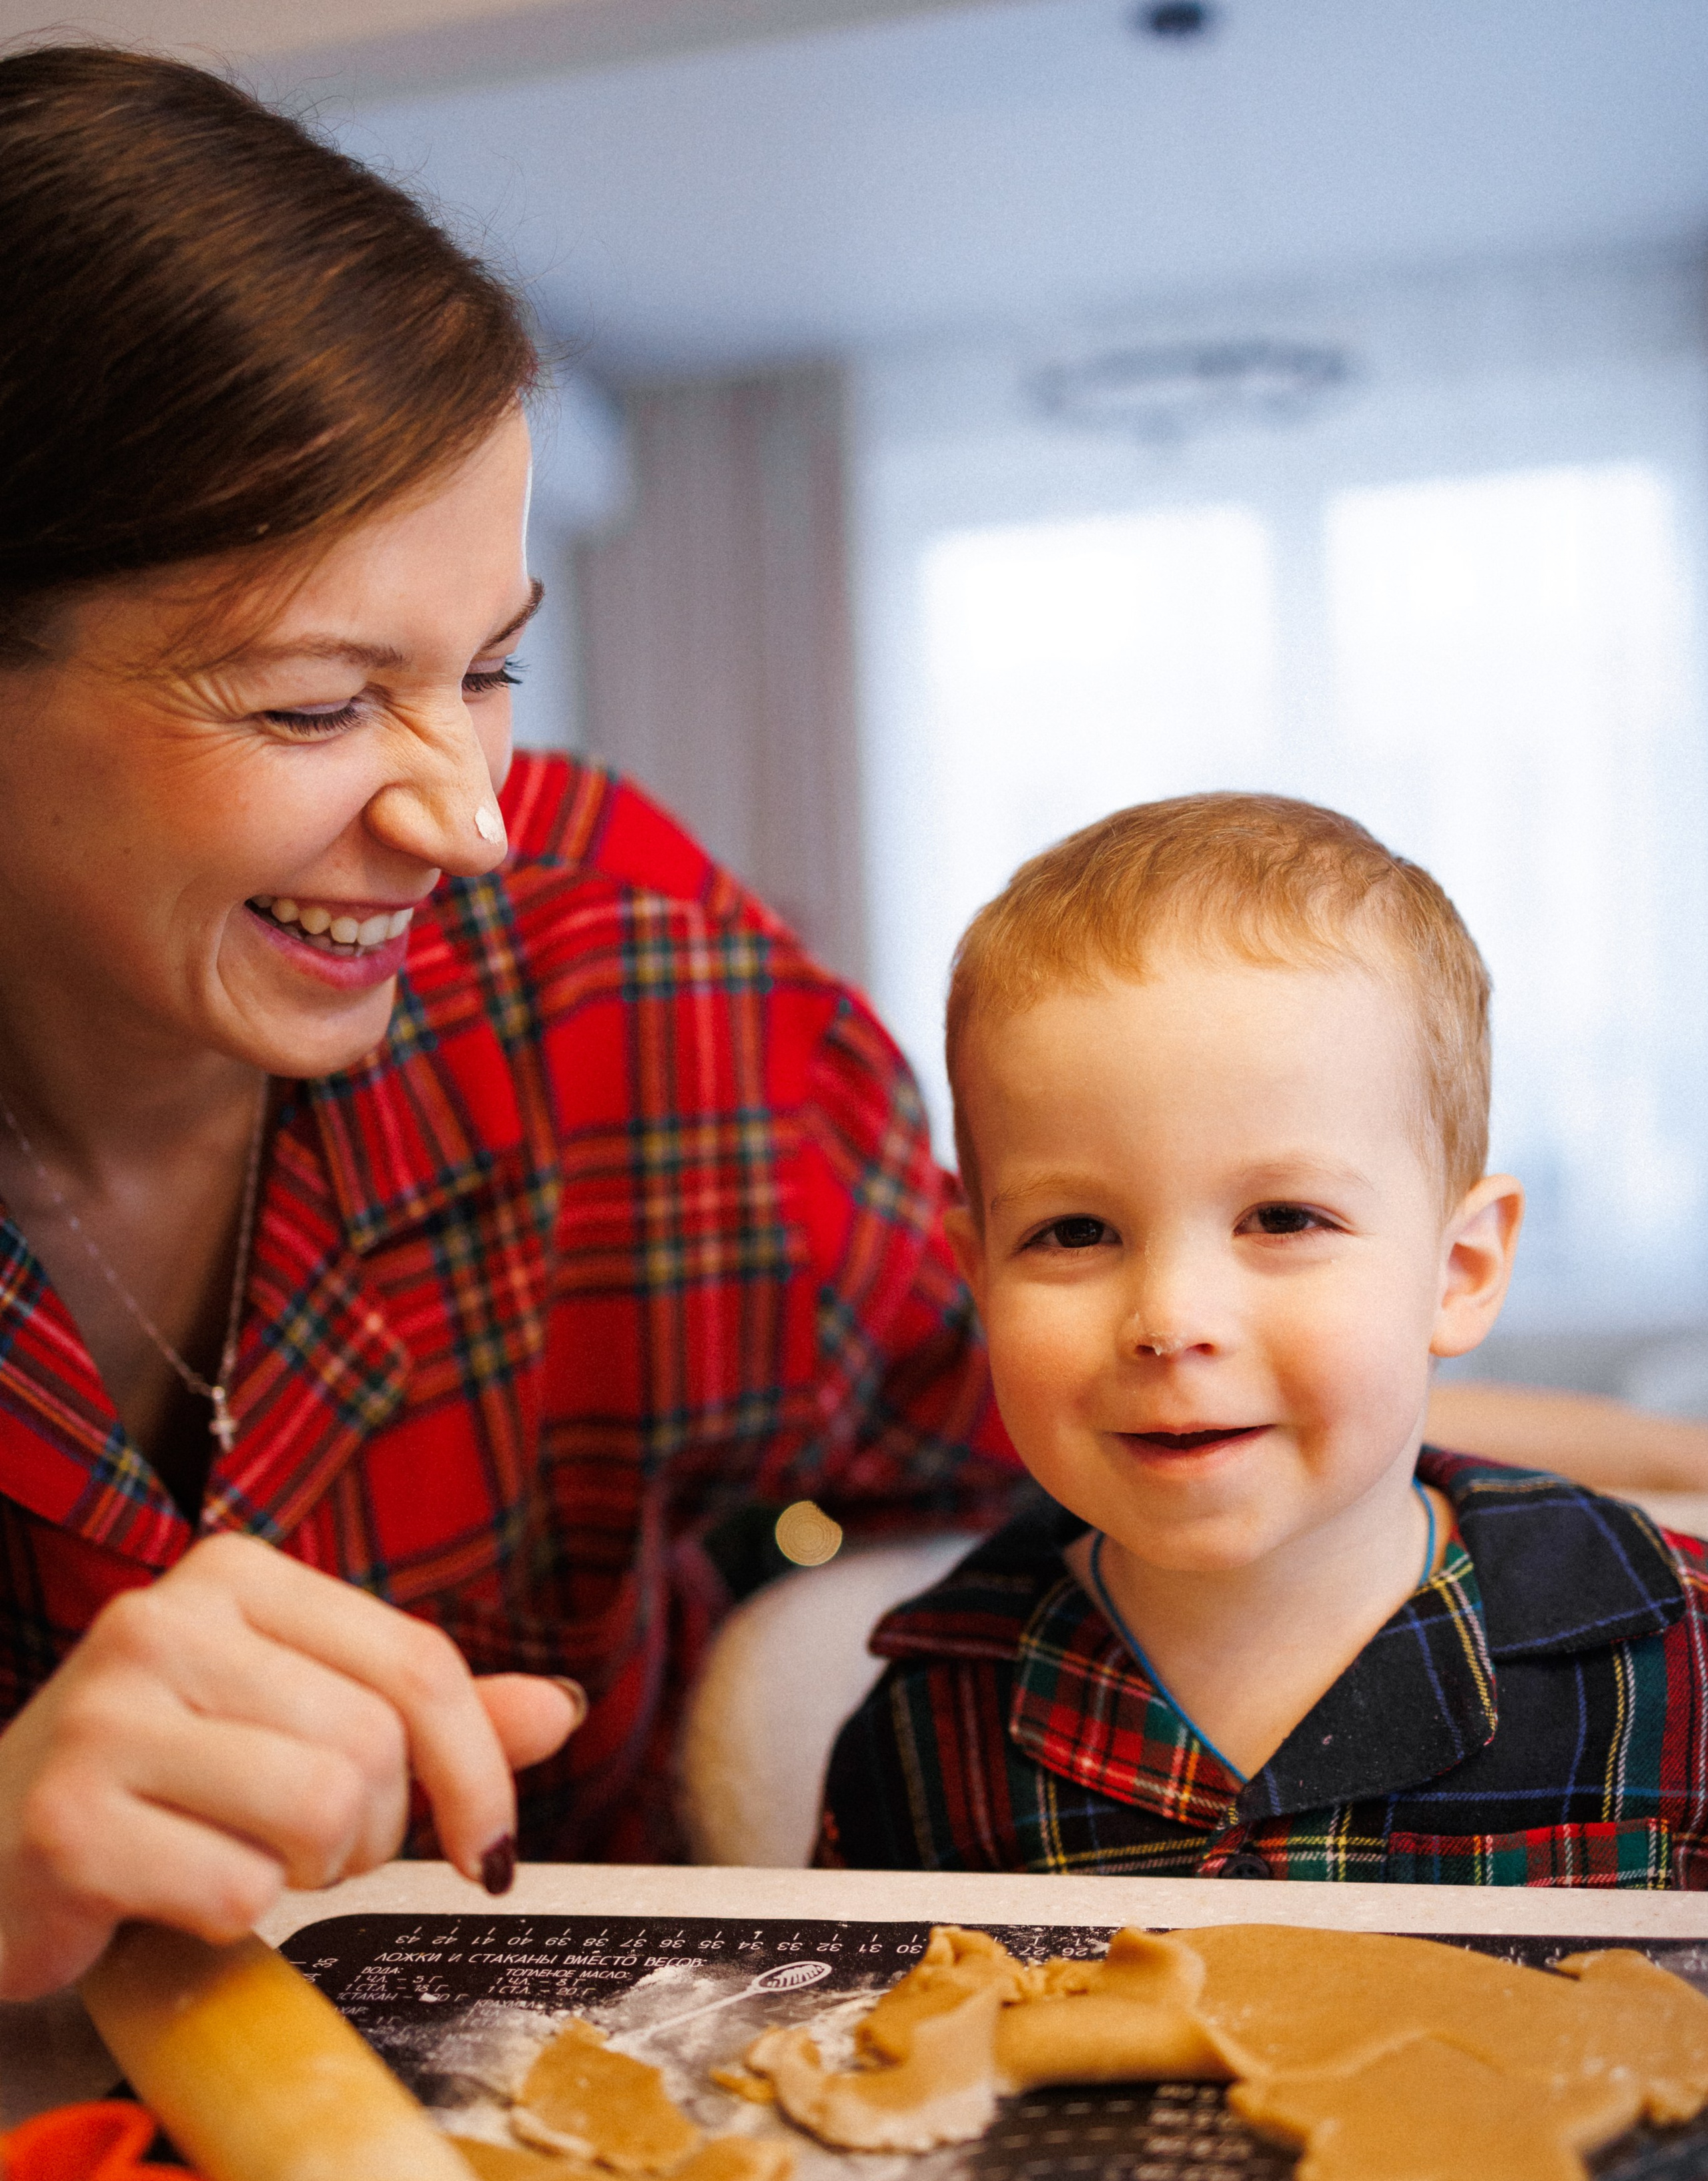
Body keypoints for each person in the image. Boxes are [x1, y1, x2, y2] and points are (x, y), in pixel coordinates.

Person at [0, 45, 1017, 2002]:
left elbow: (1097, 1402)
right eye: (311, 705)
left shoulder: (610, 972)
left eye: (489, 668)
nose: (462, 820)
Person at [817, 794, 1708, 1884]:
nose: (1171, 1322)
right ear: (982, 1282)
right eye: (1076, 1232)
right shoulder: (919, 1732)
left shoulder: (1684, 1662)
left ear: (1459, 1272)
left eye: (1284, 1219)